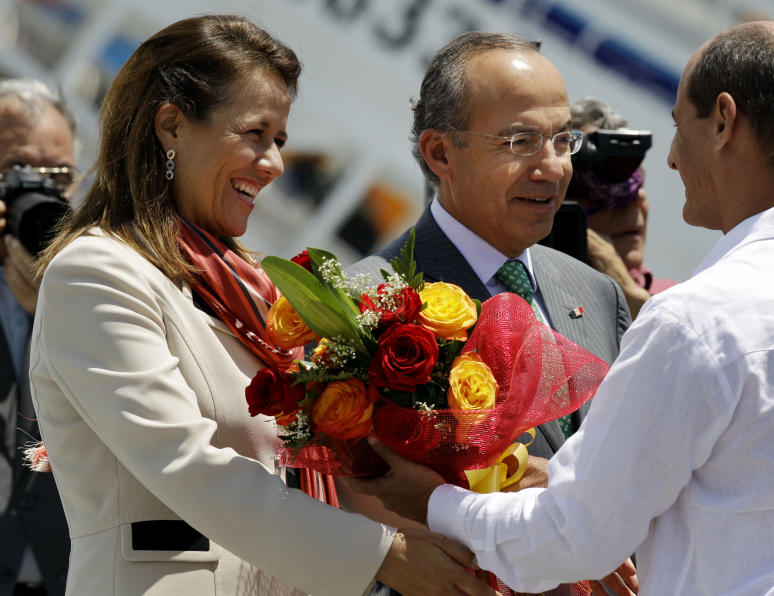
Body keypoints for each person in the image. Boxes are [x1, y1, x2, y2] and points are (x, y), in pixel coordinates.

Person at [353, 21, 774, 594]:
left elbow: (572, 537)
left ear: (723, 122)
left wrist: (433, 501)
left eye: (678, 125)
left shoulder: (699, 318)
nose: (670, 159)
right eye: (520, 140)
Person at [27, 15, 496, 596]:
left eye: (280, 141)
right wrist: (384, 556)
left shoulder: (258, 293)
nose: (274, 163)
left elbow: (346, 474)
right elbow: (186, 464)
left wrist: (497, 520)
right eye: (255, 133)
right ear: (171, 126)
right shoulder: (98, 273)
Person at [347, 32, 631, 461]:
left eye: (562, 140)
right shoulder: (368, 301)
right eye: (521, 143)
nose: (553, 168)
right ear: (440, 154)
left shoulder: (598, 294)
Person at [0, 79, 74, 596]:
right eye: (16, 172)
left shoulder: (89, 291)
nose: (38, 192)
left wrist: (63, 319)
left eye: (59, 177)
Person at [567, 97, 676, 317]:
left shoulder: (676, 302)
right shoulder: (532, 291)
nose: (635, 200)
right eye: (606, 191)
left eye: (638, 185)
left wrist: (628, 294)